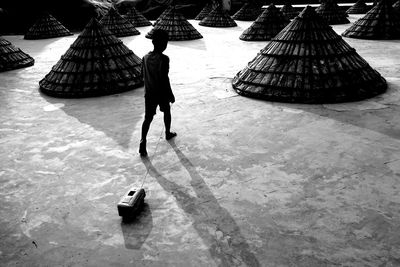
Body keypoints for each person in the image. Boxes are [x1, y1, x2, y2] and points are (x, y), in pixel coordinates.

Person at [139, 29, 176, 157]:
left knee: (148, 119)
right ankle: (167, 132)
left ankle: (143, 141)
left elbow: (142, 75)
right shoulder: (164, 59)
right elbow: (165, 79)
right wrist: (170, 94)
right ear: (163, 44)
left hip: (149, 93)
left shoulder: (145, 58)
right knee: (167, 111)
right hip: (161, 93)